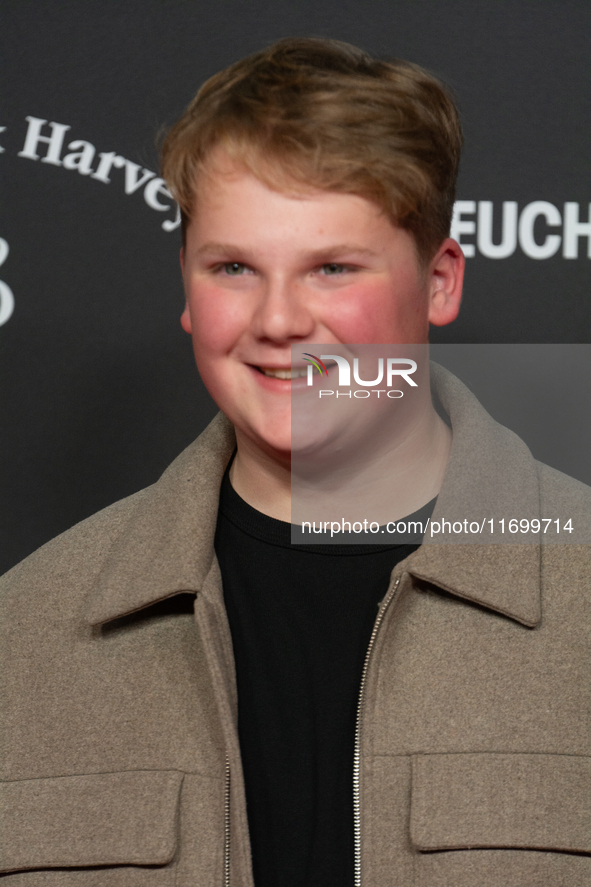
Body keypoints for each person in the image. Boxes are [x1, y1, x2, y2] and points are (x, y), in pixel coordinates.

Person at [1, 37, 589, 887]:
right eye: (234, 267)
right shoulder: (27, 629)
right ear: (186, 288)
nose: (277, 320)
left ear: (439, 281)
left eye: (332, 268)